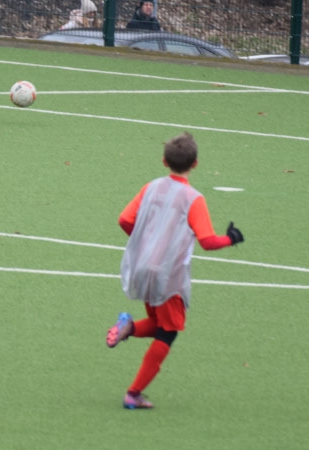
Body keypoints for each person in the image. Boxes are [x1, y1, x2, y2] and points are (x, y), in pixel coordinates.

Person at [105, 131, 244, 410]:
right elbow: (207, 241)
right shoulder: (194, 198)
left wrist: (145, 243)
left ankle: (128, 327)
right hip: (168, 275)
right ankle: (133, 393)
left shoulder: (151, 187)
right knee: (168, 333)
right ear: (195, 164)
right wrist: (231, 238)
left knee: (160, 323)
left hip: (141, 266)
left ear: (164, 161)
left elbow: (124, 219)